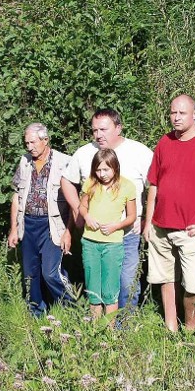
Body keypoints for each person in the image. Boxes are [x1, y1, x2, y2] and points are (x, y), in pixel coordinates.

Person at [143, 95, 195, 331]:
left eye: (182, 113)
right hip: (161, 226)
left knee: (193, 286)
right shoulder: (165, 142)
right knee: (166, 279)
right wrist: (148, 222)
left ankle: (190, 332)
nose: (176, 118)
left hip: (192, 230)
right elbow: (154, 184)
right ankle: (171, 329)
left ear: (194, 114)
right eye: (173, 113)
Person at [61, 109, 152, 310]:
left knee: (127, 282)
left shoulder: (139, 152)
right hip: (94, 236)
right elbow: (67, 180)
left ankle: (124, 327)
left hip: (127, 233)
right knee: (97, 283)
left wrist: (146, 217)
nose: (98, 135)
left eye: (103, 129)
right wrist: (79, 210)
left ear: (118, 128)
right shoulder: (84, 153)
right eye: (94, 130)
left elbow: (156, 186)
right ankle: (100, 329)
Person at [8, 123, 75, 316]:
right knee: (30, 274)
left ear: (46, 140)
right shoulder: (24, 162)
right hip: (27, 224)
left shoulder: (65, 162)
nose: (29, 147)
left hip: (52, 225)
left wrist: (69, 232)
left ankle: (71, 309)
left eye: (33, 142)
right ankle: (36, 312)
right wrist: (14, 228)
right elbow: (16, 196)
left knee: (51, 273)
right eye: (26, 142)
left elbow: (74, 202)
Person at [78, 148, 136, 321]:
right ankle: (95, 330)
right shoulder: (91, 183)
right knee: (93, 289)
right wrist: (87, 216)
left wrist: (116, 226)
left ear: (115, 167)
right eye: (98, 169)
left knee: (110, 290)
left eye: (106, 169)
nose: (102, 174)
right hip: (90, 242)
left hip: (112, 244)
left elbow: (132, 216)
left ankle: (109, 333)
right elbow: (82, 207)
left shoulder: (127, 186)